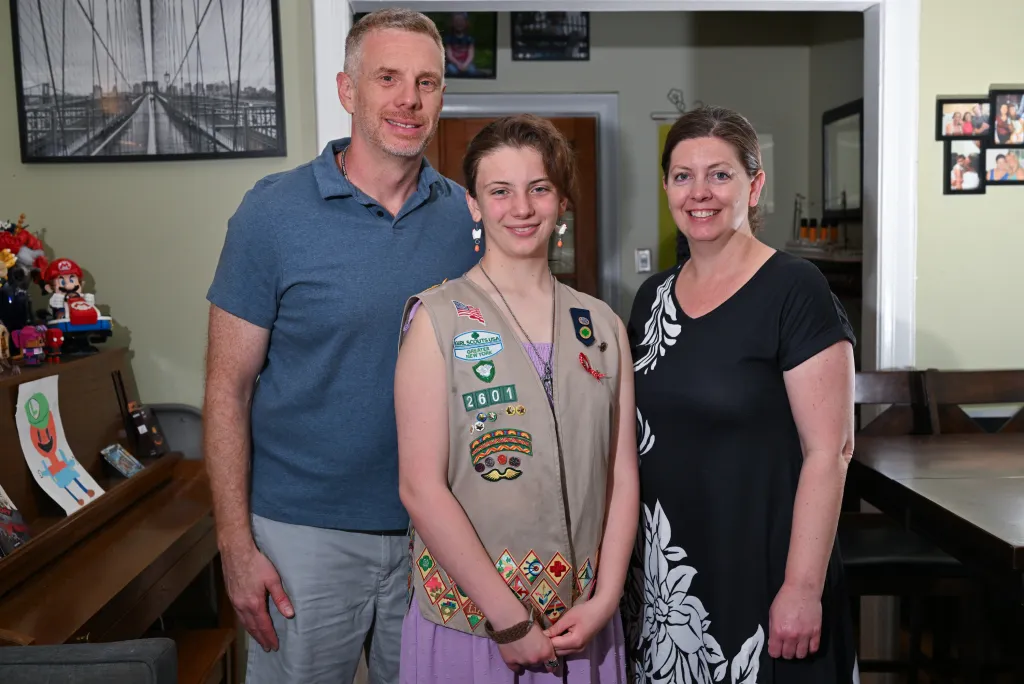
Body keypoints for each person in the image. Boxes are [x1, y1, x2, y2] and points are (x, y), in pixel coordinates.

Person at [202, 9, 479, 684]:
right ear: (347, 90)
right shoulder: (272, 213)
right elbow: (226, 388)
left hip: (437, 533)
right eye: (387, 78)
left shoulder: (466, 219)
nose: (409, 100)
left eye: (427, 82)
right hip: (303, 536)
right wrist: (235, 545)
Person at [395, 114, 639, 683]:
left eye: (539, 188)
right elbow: (419, 487)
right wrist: (508, 620)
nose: (521, 208)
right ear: (474, 205)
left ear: (562, 201)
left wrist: (606, 599)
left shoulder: (600, 325)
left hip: (583, 623)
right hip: (474, 625)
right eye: (499, 191)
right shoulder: (438, 319)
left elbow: (621, 476)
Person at [622, 106, 859, 683]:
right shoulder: (651, 298)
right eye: (683, 176)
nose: (699, 192)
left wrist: (802, 588)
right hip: (667, 585)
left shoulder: (794, 289)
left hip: (764, 570)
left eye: (719, 174)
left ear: (755, 185)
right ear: (667, 187)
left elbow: (831, 451)